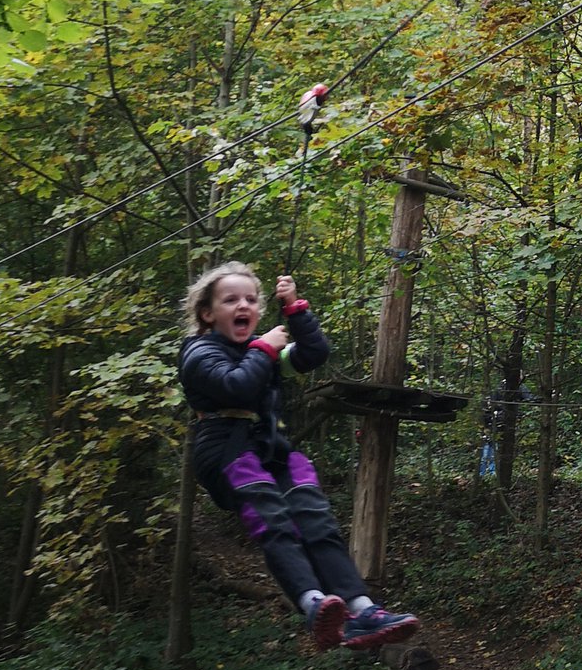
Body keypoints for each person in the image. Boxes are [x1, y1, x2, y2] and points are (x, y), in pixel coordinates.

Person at [178, 263, 419, 649]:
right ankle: (313, 603)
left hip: (270, 447)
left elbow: (313, 353)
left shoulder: (262, 351)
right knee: (274, 519)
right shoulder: (198, 351)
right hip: (225, 448)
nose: (244, 305)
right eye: (231, 300)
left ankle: (362, 610)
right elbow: (236, 387)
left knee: (316, 519)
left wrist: (295, 309)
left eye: (251, 299)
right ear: (208, 314)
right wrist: (264, 348)